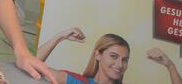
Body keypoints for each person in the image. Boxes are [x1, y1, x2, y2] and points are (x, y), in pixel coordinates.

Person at [38, 28, 182, 84]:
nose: (120, 64)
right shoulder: (76, 81)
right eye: (114, 56)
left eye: (125, 60)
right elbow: (33, 66)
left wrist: (170, 66)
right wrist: (60, 37)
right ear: (98, 55)